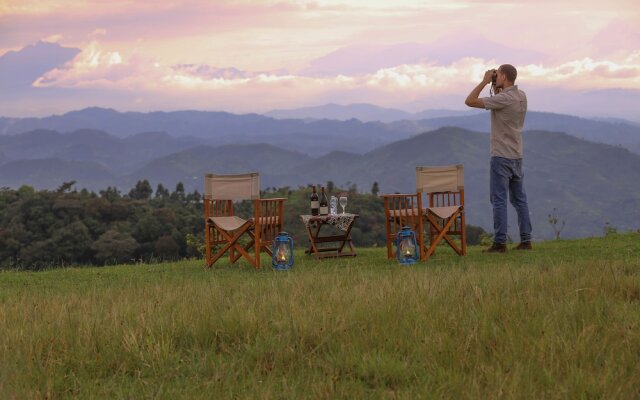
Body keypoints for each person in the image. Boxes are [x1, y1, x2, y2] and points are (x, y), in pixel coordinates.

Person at [465, 64, 532, 252]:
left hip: (501, 156)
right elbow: (499, 100)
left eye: (498, 75)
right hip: (517, 155)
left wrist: (485, 81)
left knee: (499, 199)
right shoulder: (521, 96)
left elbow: (470, 101)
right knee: (520, 200)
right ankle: (526, 240)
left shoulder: (504, 98)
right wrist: (496, 85)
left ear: (503, 76)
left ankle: (500, 242)